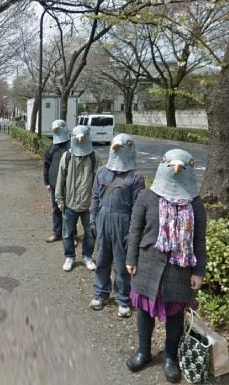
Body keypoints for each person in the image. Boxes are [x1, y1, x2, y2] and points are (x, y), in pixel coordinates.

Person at [124, 149, 207, 383]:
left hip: (180, 269)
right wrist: (131, 259)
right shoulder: (146, 197)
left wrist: (199, 271)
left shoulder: (195, 204)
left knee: (175, 315)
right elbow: (135, 231)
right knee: (145, 311)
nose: (177, 168)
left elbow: (199, 239)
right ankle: (143, 351)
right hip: (148, 263)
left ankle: (170, 357)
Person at [89, 134, 144, 318]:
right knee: (103, 258)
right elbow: (95, 197)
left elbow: (138, 206)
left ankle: (123, 299)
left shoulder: (136, 177)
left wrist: (132, 231)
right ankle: (100, 293)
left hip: (123, 220)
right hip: (103, 218)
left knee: (122, 263)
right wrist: (93, 218)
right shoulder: (102, 172)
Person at [55, 125, 97, 272]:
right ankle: (69, 256)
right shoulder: (66, 157)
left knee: (91, 232)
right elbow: (60, 179)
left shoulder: (94, 157)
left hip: (89, 204)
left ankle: (87, 256)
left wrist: (97, 203)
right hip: (70, 203)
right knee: (67, 233)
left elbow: (99, 182)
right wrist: (59, 199)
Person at [43, 120, 71, 243]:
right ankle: (57, 232)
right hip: (54, 184)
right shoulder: (52, 147)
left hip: (69, 185)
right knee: (56, 209)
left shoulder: (72, 146)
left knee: (70, 210)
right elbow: (46, 165)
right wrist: (47, 182)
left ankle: (71, 235)